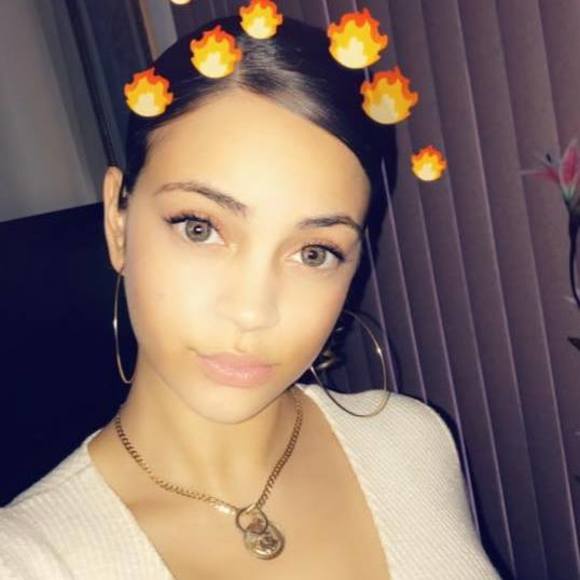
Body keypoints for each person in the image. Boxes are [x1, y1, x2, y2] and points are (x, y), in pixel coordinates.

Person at [0, 12, 501, 580]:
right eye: (199, 228)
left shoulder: (415, 443)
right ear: (118, 221)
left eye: (314, 252)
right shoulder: (27, 563)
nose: (252, 311)